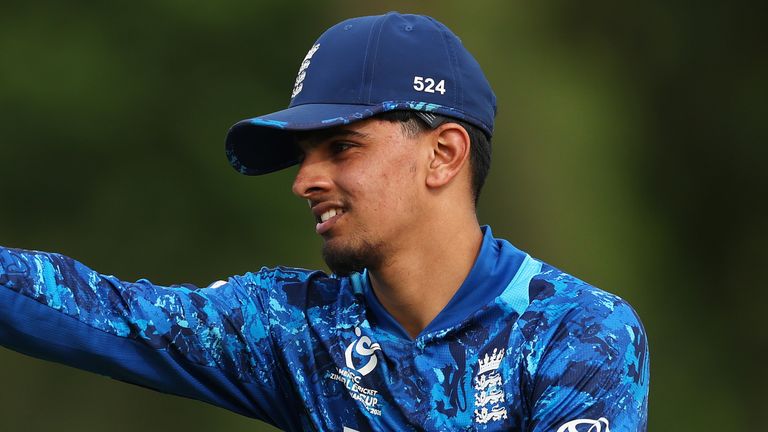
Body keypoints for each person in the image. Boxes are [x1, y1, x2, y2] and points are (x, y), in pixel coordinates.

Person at [0, 12, 648, 432]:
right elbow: (99, 312)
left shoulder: (576, 332)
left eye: (341, 147)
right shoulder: (294, 328)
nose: (304, 181)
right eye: (303, 155)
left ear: (443, 154)